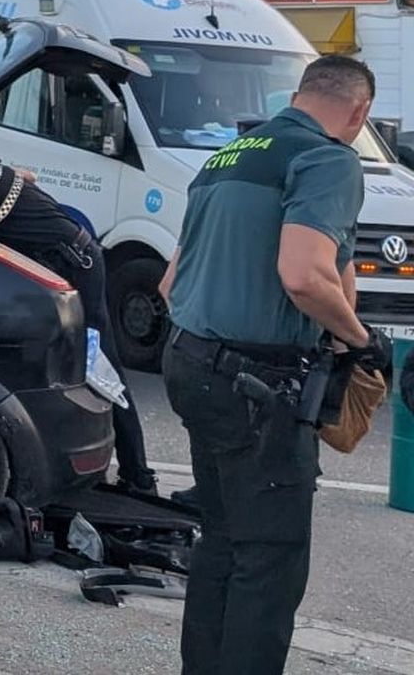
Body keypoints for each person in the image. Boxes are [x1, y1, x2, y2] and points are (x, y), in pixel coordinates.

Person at [156, 56, 392, 675]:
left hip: (192, 363)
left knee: (222, 542)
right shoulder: (328, 160)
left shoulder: (229, 156)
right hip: (258, 385)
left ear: (299, 94)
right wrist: (362, 343)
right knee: (270, 558)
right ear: (360, 111)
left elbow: (169, 283)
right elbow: (303, 274)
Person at [0, 152, 154, 496]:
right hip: (78, 259)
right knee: (73, 369)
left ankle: (139, 475)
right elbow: (23, 177)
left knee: (102, 368)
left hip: (77, 266)